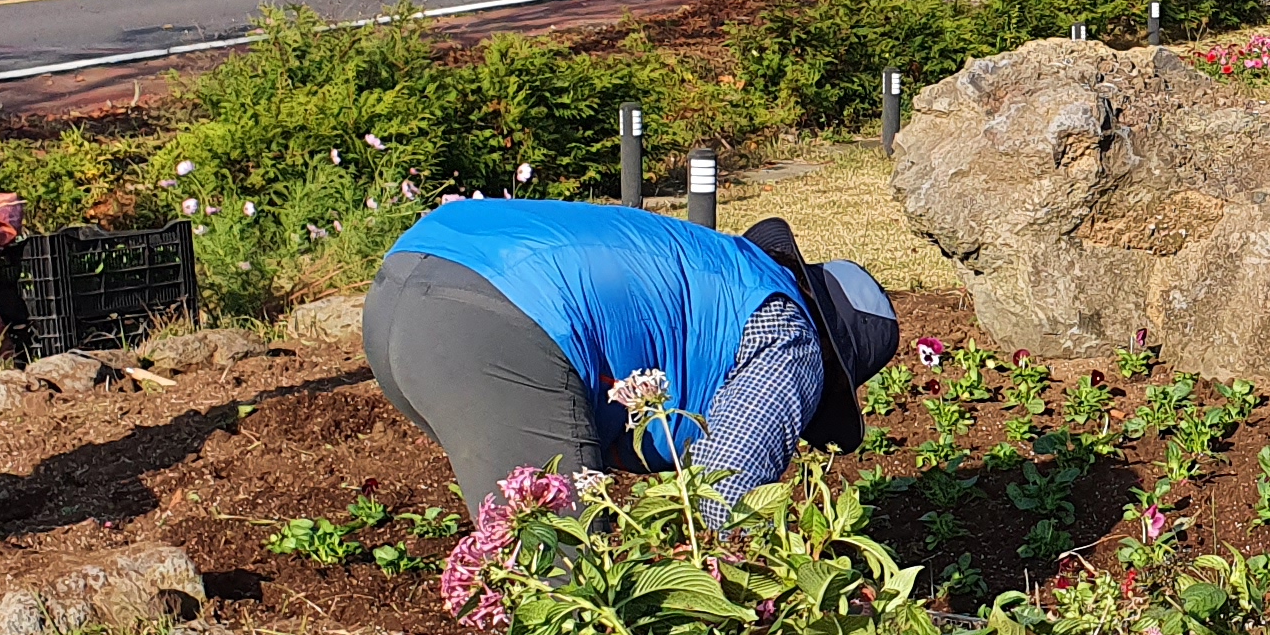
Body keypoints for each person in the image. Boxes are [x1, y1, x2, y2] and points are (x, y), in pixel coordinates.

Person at [362, 197, 900, 515]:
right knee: (573, 616)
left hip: (399, 293)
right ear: (834, 361)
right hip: (501, 318)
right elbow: (719, 502)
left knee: (540, 566)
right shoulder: (791, 339)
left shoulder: (722, 271)